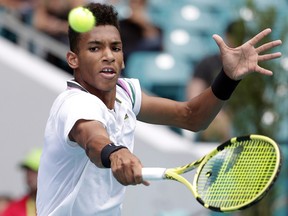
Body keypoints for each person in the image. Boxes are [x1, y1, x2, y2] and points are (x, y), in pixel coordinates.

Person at [35, 3, 282, 216]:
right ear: (73, 59)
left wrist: (227, 78)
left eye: (115, 48)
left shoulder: (126, 93)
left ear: (123, 57)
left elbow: (192, 117)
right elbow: (92, 139)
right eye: (95, 48)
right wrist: (116, 153)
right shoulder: (75, 103)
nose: (108, 56)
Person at [186, 19, 246, 142]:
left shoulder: (248, 67)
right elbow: (194, 95)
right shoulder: (207, 63)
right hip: (213, 116)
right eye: (235, 36)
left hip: (240, 119)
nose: (237, 42)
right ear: (227, 36)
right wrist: (215, 114)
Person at [32, 0, 85, 74]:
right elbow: (39, 23)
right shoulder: (45, 3)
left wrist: (56, 26)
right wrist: (60, 26)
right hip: (47, 41)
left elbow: (78, 27)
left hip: (66, 43)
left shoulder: (76, 2)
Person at [119, 0, 163, 76]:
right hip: (126, 69)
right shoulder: (120, 26)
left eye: (140, 4)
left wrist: (145, 25)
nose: (136, 7)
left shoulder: (155, 28)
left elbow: (157, 48)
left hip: (149, 69)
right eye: (134, 3)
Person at [2, 148, 42, 216]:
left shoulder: (58, 205)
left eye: (34, 171)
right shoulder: (14, 209)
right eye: (27, 171)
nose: (29, 175)